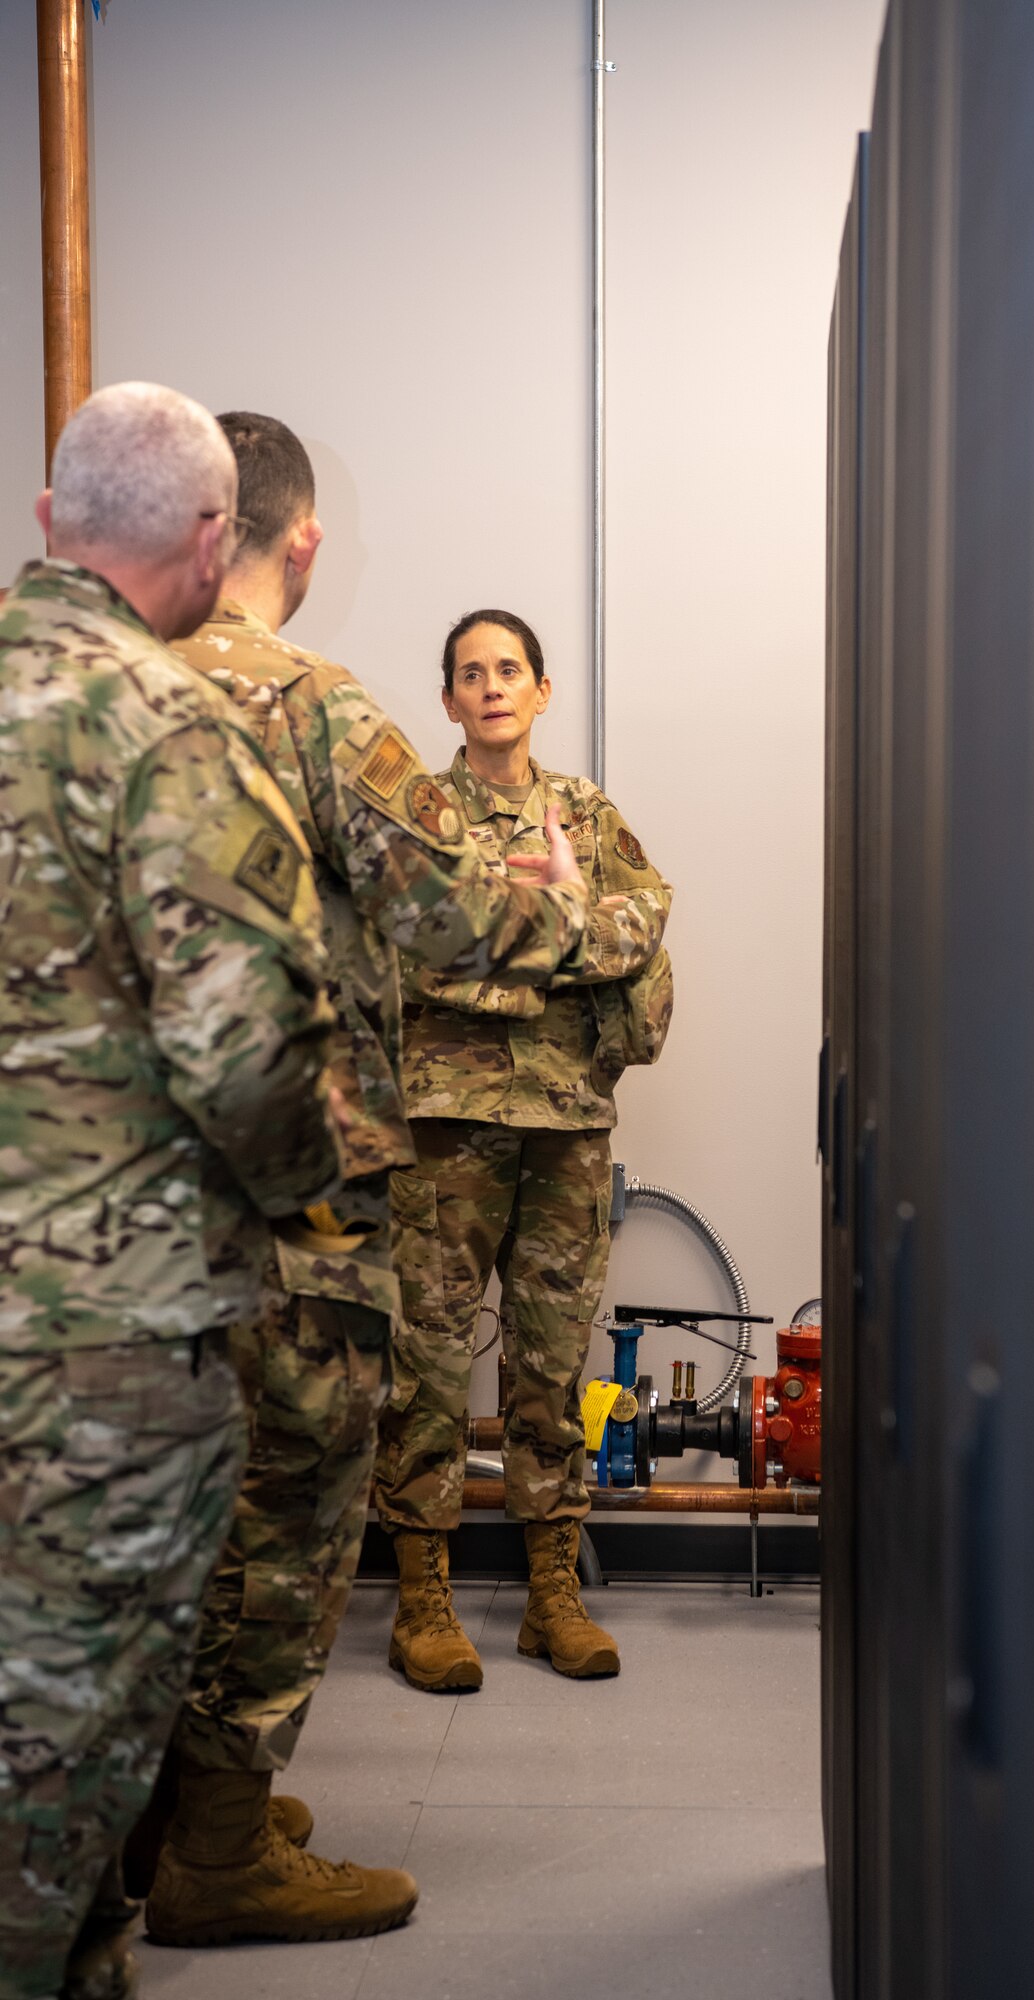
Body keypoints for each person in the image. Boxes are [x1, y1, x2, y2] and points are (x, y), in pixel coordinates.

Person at [131, 414, 591, 1951]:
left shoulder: (99, 682)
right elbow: (451, 916)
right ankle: (216, 1847)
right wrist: (540, 898)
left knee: (152, 1502)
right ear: (298, 540)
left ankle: (172, 1804)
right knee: (285, 1505)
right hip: (295, 1193)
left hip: (113, 1194)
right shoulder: (317, 705)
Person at [0, 383, 345, 2000]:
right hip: (99, 1358)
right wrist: (301, 1191)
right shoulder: (163, 726)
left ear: (55, 520)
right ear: (214, 543)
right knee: (64, 1768)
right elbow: (247, 1062)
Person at [374, 609, 673, 1688]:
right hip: (444, 1130)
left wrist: (545, 933)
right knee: (428, 1366)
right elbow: (406, 956)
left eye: (509, 669)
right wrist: (556, 946)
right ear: (448, 699)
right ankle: (422, 1602)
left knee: (551, 1363)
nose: (491, 685)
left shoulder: (584, 813)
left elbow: (645, 926)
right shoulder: (420, 818)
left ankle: (553, 1594)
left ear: (542, 690)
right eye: (470, 672)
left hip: (565, 1129)